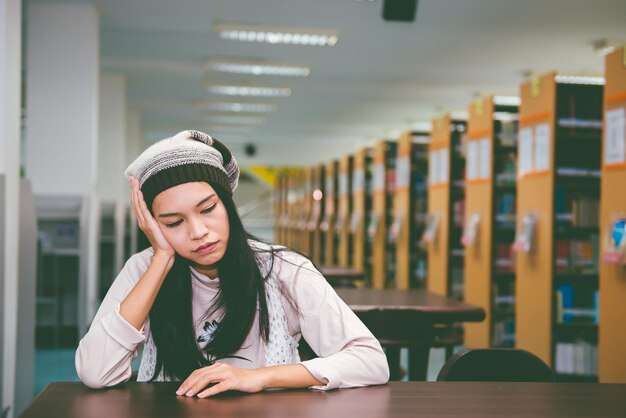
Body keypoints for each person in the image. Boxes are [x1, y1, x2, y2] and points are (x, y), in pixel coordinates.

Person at [75, 129, 389, 398]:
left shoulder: (284, 269)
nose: (198, 232)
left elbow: (371, 361)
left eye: (208, 209)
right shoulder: (144, 269)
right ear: (153, 226)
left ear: (227, 205)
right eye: (173, 223)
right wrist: (161, 260)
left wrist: (261, 377)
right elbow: (95, 372)